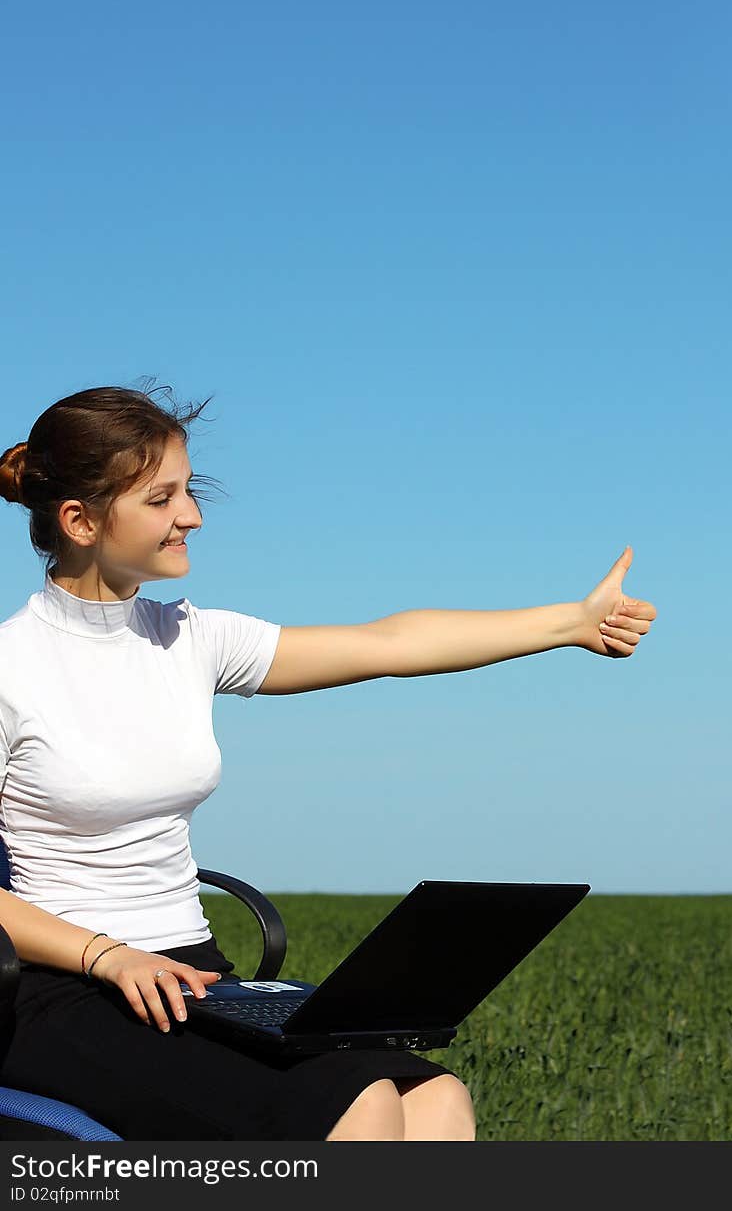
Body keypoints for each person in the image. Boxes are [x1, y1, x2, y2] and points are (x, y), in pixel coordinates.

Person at [0, 383, 657, 1142]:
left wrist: (568, 624)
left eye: (190, 490)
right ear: (80, 521)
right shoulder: (13, 669)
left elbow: (388, 644)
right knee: (363, 1108)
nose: (193, 516)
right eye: (162, 498)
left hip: (192, 973)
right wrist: (107, 956)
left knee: (436, 1100)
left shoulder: (190, 638)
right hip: (65, 987)